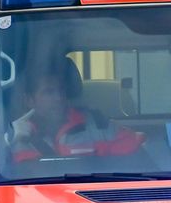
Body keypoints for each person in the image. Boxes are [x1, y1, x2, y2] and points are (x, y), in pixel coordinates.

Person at [9, 60, 142, 162]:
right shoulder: (14, 137)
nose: (59, 98)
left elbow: (139, 161)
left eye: (61, 90)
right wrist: (14, 139)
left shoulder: (99, 126)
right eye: (48, 92)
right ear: (29, 100)